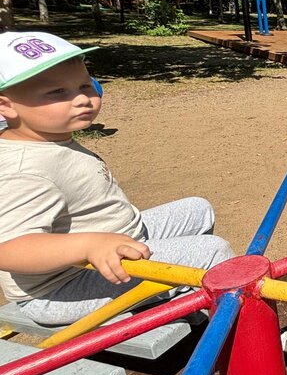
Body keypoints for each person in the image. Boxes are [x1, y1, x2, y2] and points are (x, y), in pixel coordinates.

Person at [0, 32, 235, 326]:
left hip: (116, 239)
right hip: (64, 286)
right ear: (6, 106)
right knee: (212, 251)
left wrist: (98, 241)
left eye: (86, 85)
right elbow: (8, 248)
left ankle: (184, 300)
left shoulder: (46, 137)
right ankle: (239, 338)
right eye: (58, 92)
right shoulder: (22, 169)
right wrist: (88, 246)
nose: (83, 99)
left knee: (198, 209)